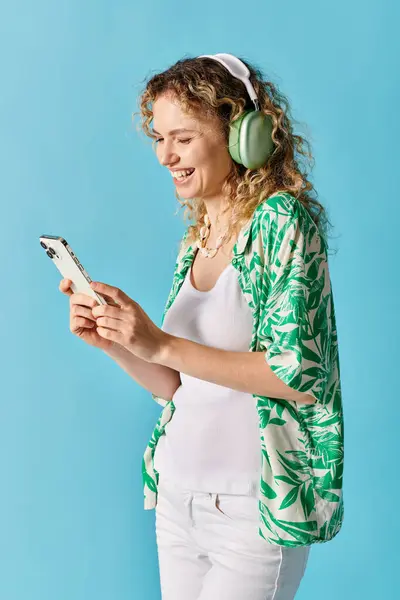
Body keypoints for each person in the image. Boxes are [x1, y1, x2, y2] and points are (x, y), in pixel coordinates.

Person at [59, 53, 344, 600]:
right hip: (177, 496)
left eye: (183, 138)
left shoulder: (282, 223)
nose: (166, 155)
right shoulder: (199, 235)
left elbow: (298, 374)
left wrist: (161, 341)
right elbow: (176, 385)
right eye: (159, 138)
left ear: (241, 134)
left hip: (251, 508)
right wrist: (118, 340)